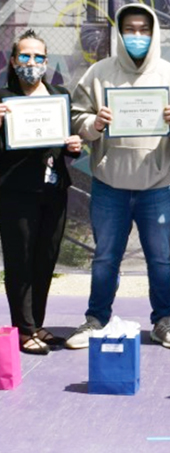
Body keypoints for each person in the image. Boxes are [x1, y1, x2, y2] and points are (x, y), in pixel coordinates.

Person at [66, 3, 170, 350]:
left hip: (158, 187)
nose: (137, 36)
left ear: (154, 33)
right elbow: (77, 118)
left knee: (160, 259)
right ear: (119, 33)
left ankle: (163, 322)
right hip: (110, 185)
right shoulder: (98, 73)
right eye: (130, 29)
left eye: (143, 29)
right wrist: (94, 125)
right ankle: (96, 319)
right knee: (105, 257)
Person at [0, 29, 82, 354]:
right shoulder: (4, 99)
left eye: (37, 57)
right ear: (13, 60)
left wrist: (74, 145)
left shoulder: (59, 94)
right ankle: (24, 330)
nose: (31, 63)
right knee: (20, 261)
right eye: (24, 56)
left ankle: (37, 322)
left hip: (54, 191)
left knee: (45, 258)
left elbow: (66, 142)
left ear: (46, 62)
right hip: (16, 193)